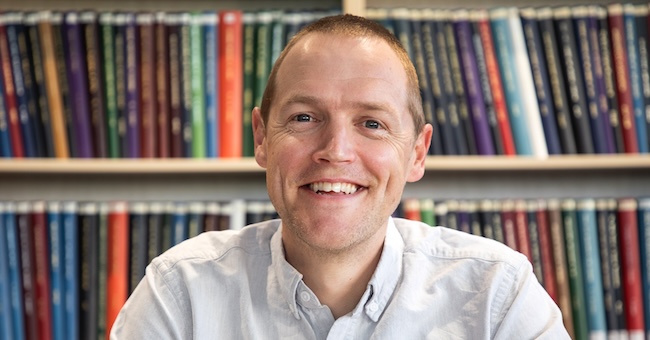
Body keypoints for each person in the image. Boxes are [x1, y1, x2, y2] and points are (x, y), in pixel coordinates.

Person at [110, 14, 569, 339]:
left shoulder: (497, 296)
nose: (336, 151)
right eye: (306, 118)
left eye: (372, 123)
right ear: (262, 139)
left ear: (417, 152)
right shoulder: (181, 293)